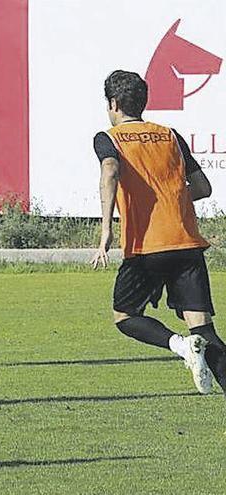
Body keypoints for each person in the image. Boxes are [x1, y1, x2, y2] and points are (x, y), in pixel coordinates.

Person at [91, 70, 226, 397]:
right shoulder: (171, 135)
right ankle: (195, 348)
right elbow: (203, 188)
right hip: (187, 243)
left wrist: (107, 228)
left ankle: (180, 346)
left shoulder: (109, 138)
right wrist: (169, 199)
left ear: (114, 104)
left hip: (147, 247)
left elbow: (110, 170)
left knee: (125, 316)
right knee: (205, 329)